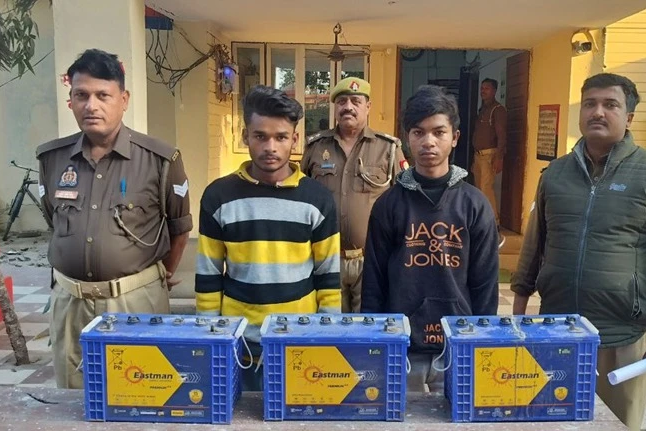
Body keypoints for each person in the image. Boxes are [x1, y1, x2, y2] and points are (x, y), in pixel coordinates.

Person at [510, 73, 646, 431]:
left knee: (615, 426)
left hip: (621, 337)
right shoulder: (555, 175)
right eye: (590, 104)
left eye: (610, 104)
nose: (598, 112)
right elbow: (533, 247)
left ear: (629, 117)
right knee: (550, 422)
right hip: (556, 330)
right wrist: (517, 319)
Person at [37, 49, 192, 389]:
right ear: (72, 100)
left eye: (102, 95)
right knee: (73, 399)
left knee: (142, 392)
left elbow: (179, 228)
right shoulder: (52, 159)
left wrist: (157, 276)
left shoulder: (160, 160)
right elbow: (54, 221)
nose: (91, 105)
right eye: (81, 95)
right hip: (70, 302)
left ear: (124, 99)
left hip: (134, 301)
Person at [196, 85, 341, 390]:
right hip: (238, 342)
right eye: (260, 136)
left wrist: (325, 336)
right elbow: (208, 277)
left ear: (295, 140)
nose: (270, 147)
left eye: (281, 137)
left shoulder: (318, 199)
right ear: (245, 136)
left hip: (299, 340)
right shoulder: (218, 196)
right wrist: (209, 338)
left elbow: (328, 279)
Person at [361, 85, 499, 393]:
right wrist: (376, 341)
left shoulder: (475, 204)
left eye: (439, 132)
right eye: (418, 132)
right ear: (407, 138)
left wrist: (482, 342)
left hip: (458, 346)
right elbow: (373, 283)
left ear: (455, 137)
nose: (428, 142)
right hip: (402, 348)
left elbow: (486, 284)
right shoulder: (388, 205)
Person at [301, 77, 407, 313]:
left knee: (367, 325)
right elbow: (301, 198)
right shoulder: (316, 147)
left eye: (355, 101)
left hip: (371, 260)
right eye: (342, 101)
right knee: (329, 325)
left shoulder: (388, 148)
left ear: (368, 107)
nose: (348, 107)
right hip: (326, 259)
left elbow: (403, 203)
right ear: (335, 107)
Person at [470, 78, 507, 235]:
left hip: (489, 155)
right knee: (478, 190)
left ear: (494, 91)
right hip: (478, 156)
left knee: (486, 189)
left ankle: (493, 223)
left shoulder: (498, 110)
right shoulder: (483, 110)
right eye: (482, 88)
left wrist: (499, 158)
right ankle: (482, 220)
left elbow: (502, 136)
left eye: (487, 88)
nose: (483, 91)